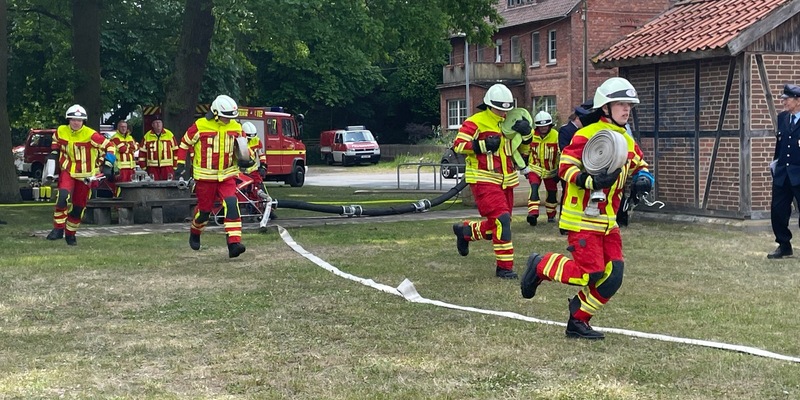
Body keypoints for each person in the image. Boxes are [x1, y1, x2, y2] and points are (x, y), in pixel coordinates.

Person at [520, 77, 653, 339]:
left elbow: (641, 166)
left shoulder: (627, 140)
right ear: (605, 107)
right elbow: (565, 168)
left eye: (629, 105)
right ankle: (540, 266)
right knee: (589, 274)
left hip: (608, 221)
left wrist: (643, 180)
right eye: (621, 104)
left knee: (613, 276)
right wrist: (589, 180)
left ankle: (578, 321)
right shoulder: (586, 136)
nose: (627, 110)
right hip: (582, 218)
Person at [451, 83, 533, 279]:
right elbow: (458, 145)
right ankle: (504, 268)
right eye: (499, 108)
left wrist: (527, 136)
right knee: (501, 221)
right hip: (483, 179)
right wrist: (482, 145)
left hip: (507, 181)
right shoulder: (475, 121)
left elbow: (523, 153)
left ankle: (465, 231)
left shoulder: (512, 122)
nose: (503, 113)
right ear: (489, 105)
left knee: (498, 226)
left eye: (506, 109)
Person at [175, 95, 253, 258]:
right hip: (205, 178)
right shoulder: (200, 126)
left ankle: (234, 243)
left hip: (227, 175)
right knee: (204, 212)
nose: (228, 120)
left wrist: (247, 159)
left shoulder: (236, 127)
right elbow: (184, 144)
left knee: (232, 205)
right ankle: (195, 232)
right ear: (215, 113)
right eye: (225, 117)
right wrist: (180, 164)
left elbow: (244, 148)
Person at [45, 104, 117, 245]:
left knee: (78, 207)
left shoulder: (91, 135)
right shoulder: (61, 131)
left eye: (79, 120)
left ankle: (70, 234)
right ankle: (58, 229)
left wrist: (108, 165)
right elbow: (55, 141)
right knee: (62, 198)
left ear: (83, 121)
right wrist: (54, 153)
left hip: (86, 176)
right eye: (73, 119)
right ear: (69, 120)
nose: (76, 122)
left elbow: (110, 146)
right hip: (68, 171)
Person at [768, 83, 800, 259]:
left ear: (798, 101)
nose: (784, 103)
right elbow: (780, 145)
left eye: (787, 99)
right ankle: (784, 245)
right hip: (782, 174)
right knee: (778, 210)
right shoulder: (782, 118)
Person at [525, 111, 560, 226]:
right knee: (534, 188)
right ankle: (533, 214)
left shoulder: (556, 136)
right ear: (537, 126)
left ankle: (551, 215)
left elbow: (562, 153)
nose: (543, 128)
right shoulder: (531, 135)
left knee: (552, 193)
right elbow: (525, 151)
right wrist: (524, 168)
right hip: (535, 168)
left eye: (546, 125)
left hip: (551, 171)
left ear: (550, 125)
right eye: (541, 126)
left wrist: (560, 171)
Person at [242, 121, 277, 220]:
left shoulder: (256, 140)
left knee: (259, 188)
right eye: (249, 137)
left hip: (252, 170)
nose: (251, 139)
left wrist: (263, 166)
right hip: (240, 171)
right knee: (242, 192)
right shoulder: (238, 141)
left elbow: (261, 154)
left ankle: (267, 210)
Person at [139, 116, 177, 180]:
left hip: (167, 166)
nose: (158, 124)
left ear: (162, 124)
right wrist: (144, 167)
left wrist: (175, 166)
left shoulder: (169, 134)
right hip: (152, 167)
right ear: (152, 125)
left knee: (168, 185)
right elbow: (142, 152)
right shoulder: (147, 136)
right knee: (154, 186)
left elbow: (175, 150)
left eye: (159, 122)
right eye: (156, 123)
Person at [109, 120, 139, 190]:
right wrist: (131, 147)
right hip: (120, 169)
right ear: (118, 128)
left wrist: (127, 146)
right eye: (121, 127)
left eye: (125, 127)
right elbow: (122, 149)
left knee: (131, 188)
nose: (124, 128)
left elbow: (137, 146)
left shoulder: (130, 137)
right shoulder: (115, 138)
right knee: (119, 189)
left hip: (131, 168)